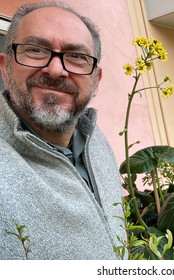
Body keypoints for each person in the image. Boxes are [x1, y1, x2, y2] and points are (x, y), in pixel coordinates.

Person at [0, 1, 127, 259]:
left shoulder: (95, 139)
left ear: (96, 80)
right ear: (5, 67)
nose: (56, 70)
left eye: (77, 57)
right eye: (35, 50)